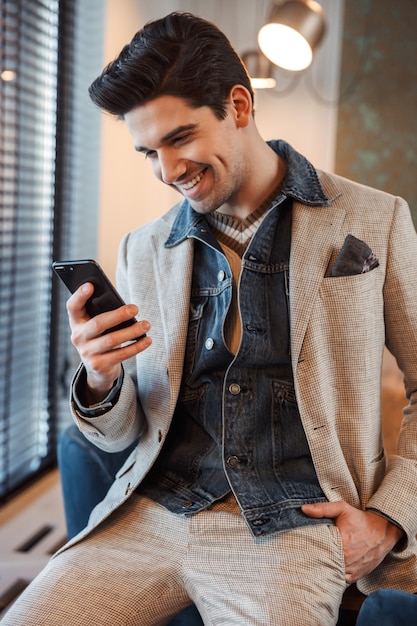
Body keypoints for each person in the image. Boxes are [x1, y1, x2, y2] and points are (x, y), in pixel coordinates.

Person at [3, 10, 417, 625]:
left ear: (240, 106)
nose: (167, 171)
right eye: (148, 151)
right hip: (149, 517)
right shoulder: (141, 250)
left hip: (296, 527)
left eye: (179, 139)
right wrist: (98, 380)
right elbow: (119, 436)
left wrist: (390, 516)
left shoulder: (374, 217)